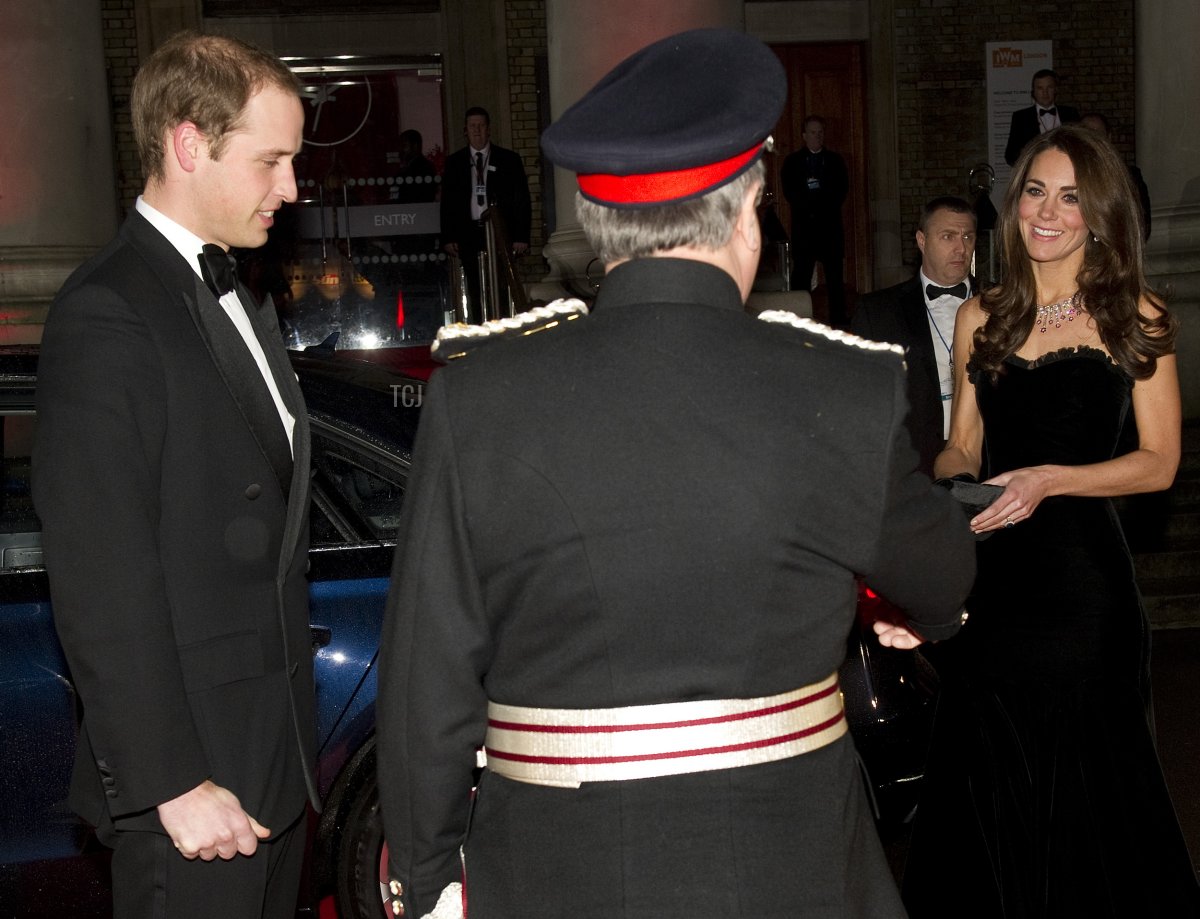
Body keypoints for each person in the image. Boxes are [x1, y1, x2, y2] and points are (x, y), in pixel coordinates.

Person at [376, 28, 975, 919]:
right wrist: (921, 617)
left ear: (598, 226)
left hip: (555, 871)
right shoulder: (843, 388)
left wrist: (425, 879)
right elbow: (944, 575)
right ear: (748, 210)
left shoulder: (480, 397)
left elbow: (427, 677)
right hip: (793, 865)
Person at [32, 31, 317, 919]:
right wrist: (172, 782)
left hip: (274, 762)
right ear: (189, 144)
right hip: (194, 790)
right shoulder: (106, 311)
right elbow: (99, 571)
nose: (292, 188)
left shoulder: (244, 291)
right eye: (271, 160)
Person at [901, 124, 1200, 917]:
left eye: (1070, 197)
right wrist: (959, 490)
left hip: (1082, 595)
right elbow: (959, 446)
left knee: (1089, 803)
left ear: (1097, 214)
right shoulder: (981, 315)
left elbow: (1160, 460)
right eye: (1036, 190)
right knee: (983, 789)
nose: (1047, 211)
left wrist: (1052, 480)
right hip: (991, 586)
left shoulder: (1135, 313)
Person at [852, 196, 977, 476]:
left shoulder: (1002, 305)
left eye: (968, 236)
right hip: (912, 465)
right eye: (948, 236)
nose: (961, 248)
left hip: (988, 458)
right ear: (922, 241)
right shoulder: (878, 311)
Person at [439, 106, 532, 318]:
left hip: (500, 232)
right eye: (473, 126)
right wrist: (448, 236)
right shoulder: (455, 163)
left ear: (488, 129)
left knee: (501, 283)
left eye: (481, 125)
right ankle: (481, 327)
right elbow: (448, 203)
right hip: (469, 232)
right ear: (465, 130)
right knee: (474, 285)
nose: (477, 130)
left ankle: (503, 327)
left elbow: (522, 199)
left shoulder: (508, 159)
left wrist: (521, 236)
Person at [781, 115, 849, 326]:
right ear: (804, 135)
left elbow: (841, 191)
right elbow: (790, 192)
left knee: (835, 278)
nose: (817, 136)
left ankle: (839, 321)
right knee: (801, 276)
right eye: (813, 132)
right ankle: (797, 320)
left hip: (830, 228)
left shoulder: (836, 161)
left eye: (820, 132)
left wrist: (821, 200)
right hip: (805, 229)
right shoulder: (792, 162)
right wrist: (811, 202)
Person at [1081, 112, 1152, 240]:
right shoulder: (1066, 177)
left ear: (1109, 137)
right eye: (1086, 133)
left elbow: (1142, 224)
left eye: (1097, 134)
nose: (1091, 139)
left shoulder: (1130, 177)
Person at [1004, 68, 1080, 167]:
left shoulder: (1071, 113)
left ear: (1056, 89)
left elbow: (1079, 147)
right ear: (1033, 91)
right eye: (1040, 88)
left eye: (1049, 87)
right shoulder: (1021, 117)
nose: (1045, 93)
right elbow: (1010, 156)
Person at [390, 127, 437, 204]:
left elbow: (422, 196)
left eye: (404, 145)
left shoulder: (424, 167)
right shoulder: (406, 167)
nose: (400, 150)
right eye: (400, 146)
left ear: (415, 146)